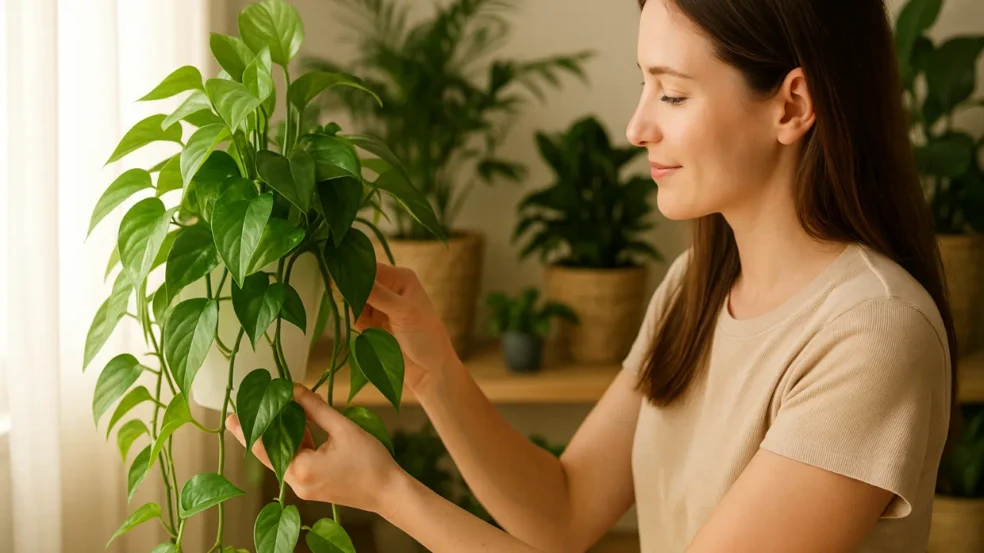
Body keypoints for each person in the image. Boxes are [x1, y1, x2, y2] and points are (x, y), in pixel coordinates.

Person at [228, 0, 957, 551]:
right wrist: (435, 372)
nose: (638, 126)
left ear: (792, 104)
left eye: (671, 93)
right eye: (645, 85)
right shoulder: (693, 289)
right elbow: (566, 507)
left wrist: (387, 489)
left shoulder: (872, 334)